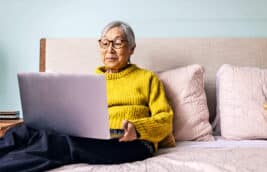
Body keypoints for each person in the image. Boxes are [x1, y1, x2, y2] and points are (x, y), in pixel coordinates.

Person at [0, 21, 174, 172]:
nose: (110, 50)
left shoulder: (147, 78)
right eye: (105, 43)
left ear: (132, 49)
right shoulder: (91, 80)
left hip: (131, 142)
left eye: (118, 43)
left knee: (55, 143)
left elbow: (165, 120)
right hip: (91, 135)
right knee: (22, 130)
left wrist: (137, 129)